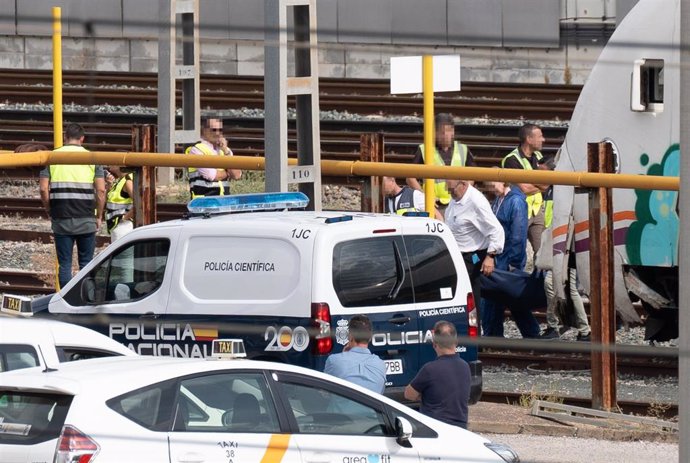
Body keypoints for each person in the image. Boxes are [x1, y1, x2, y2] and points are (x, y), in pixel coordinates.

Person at [39, 123, 106, 289]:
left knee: (65, 265)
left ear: (65, 137)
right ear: (82, 138)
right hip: (86, 218)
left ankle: (65, 301)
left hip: (61, 218)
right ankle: (86, 301)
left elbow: (43, 189)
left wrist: (49, 209)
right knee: (86, 264)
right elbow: (101, 190)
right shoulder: (92, 158)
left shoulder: (51, 157)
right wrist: (99, 215)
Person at [536, 157, 591, 341]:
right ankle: (576, 328)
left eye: (541, 173)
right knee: (563, 288)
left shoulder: (563, 190)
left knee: (557, 286)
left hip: (566, 247)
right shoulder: (553, 190)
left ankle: (561, 326)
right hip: (559, 246)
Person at [481, 178, 540, 339]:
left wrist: (513, 263)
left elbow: (518, 235)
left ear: (503, 182)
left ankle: (493, 334)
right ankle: (530, 332)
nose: (492, 190)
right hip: (501, 257)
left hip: (507, 258)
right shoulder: (501, 200)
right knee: (509, 296)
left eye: (493, 185)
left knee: (499, 296)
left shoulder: (514, 202)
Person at [444, 178, 504, 306]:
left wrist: (490, 257)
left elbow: (496, 230)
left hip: (473, 256)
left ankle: (475, 324)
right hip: (459, 254)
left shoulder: (476, 202)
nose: (450, 193)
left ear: (463, 184)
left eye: (452, 190)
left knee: (469, 294)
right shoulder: (457, 197)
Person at [406, 113, 476, 218]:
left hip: (458, 203)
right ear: (435, 133)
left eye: (449, 131)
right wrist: (424, 196)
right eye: (442, 132)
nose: (446, 135)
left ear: (453, 131)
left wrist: (465, 193)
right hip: (435, 205)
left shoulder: (462, 149)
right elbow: (410, 177)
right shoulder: (424, 149)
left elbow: (473, 175)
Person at [404, 320, 471, 429]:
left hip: (434, 429)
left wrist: (426, 395)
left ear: (435, 344)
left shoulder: (429, 369)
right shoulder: (465, 367)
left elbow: (408, 394)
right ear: (456, 342)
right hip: (460, 428)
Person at [501, 123, 550, 257]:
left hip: (537, 211)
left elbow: (547, 185)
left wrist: (537, 184)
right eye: (540, 136)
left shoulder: (538, 156)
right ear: (529, 139)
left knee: (542, 253)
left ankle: (540, 277)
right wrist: (540, 183)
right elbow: (524, 189)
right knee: (516, 250)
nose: (543, 139)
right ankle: (515, 276)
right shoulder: (512, 160)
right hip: (520, 211)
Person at [324, 314, 386, 393]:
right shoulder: (380, 364)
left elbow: (324, 393)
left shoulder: (334, 361)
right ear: (370, 337)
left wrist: (343, 355)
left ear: (350, 336)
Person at [186, 115, 242, 198]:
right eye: (213, 130)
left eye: (220, 130)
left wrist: (226, 151)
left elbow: (237, 175)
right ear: (204, 131)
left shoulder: (225, 150)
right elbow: (212, 176)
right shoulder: (197, 150)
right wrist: (228, 173)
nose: (217, 133)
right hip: (203, 202)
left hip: (223, 201)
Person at [104, 166, 134, 242]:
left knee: (123, 253)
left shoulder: (127, 181)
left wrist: (124, 218)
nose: (109, 164)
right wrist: (109, 185)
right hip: (116, 225)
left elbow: (139, 203)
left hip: (123, 226)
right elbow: (107, 202)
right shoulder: (119, 180)